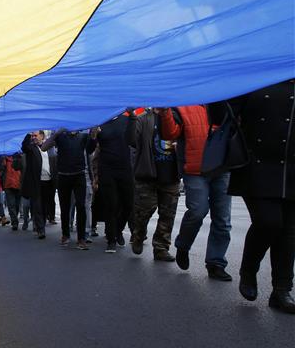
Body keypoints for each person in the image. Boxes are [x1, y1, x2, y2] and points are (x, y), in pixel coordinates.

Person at [208, 81, 295, 313]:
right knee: (269, 222)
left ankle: (282, 289)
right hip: (257, 165)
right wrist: (220, 84)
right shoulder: (257, 77)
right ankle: (249, 269)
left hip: (292, 169)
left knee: (288, 231)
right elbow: (219, 116)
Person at [160, 105, 233, 281]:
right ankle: (183, 245)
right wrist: (165, 112)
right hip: (195, 170)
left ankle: (216, 263)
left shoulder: (226, 100)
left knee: (222, 220)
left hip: (222, 168)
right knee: (198, 211)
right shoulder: (184, 105)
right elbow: (169, 134)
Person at [126, 108, 180, 262]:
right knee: (143, 213)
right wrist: (131, 117)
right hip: (147, 175)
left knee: (167, 215)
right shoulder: (143, 118)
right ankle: (138, 235)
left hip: (171, 175)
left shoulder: (176, 116)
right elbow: (131, 141)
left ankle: (161, 248)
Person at [87, 113, 135, 253]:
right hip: (107, 169)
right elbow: (89, 149)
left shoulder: (126, 120)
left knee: (128, 204)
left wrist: (132, 117)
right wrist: (93, 135)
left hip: (125, 168)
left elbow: (133, 141)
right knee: (111, 205)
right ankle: (111, 240)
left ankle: (118, 230)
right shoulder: (99, 121)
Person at [42, 129, 89, 249]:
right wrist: (57, 133)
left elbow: (91, 148)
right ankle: (65, 234)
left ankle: (81, 238)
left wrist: (93, 132)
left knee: (81, 206)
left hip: (79, 175)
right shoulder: (60, 136)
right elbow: (44, 147)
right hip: (63, 175)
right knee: (65, 207)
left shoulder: (83, 136)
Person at [14, 132, 47, 238]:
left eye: (35, 136)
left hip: (48, 181)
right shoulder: (31, 148)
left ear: (42, 136)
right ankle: (40, 229)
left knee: (45, 206)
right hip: (35, 182)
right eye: (32, 136)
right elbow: (24, 146)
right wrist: (28, 134)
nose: (33, 138)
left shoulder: (48, 147)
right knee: (37, 207)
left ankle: (41, 225)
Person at [36, 132, 58, 225]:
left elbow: (54, 160)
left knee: (51, 199)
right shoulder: (35, 148)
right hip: (40, 179)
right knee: (42, 200)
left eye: (36, 135)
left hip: (50, 178)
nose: (35, 138)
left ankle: (52, 217)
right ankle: (43, 218)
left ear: (42, 136)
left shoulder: (50, 149)